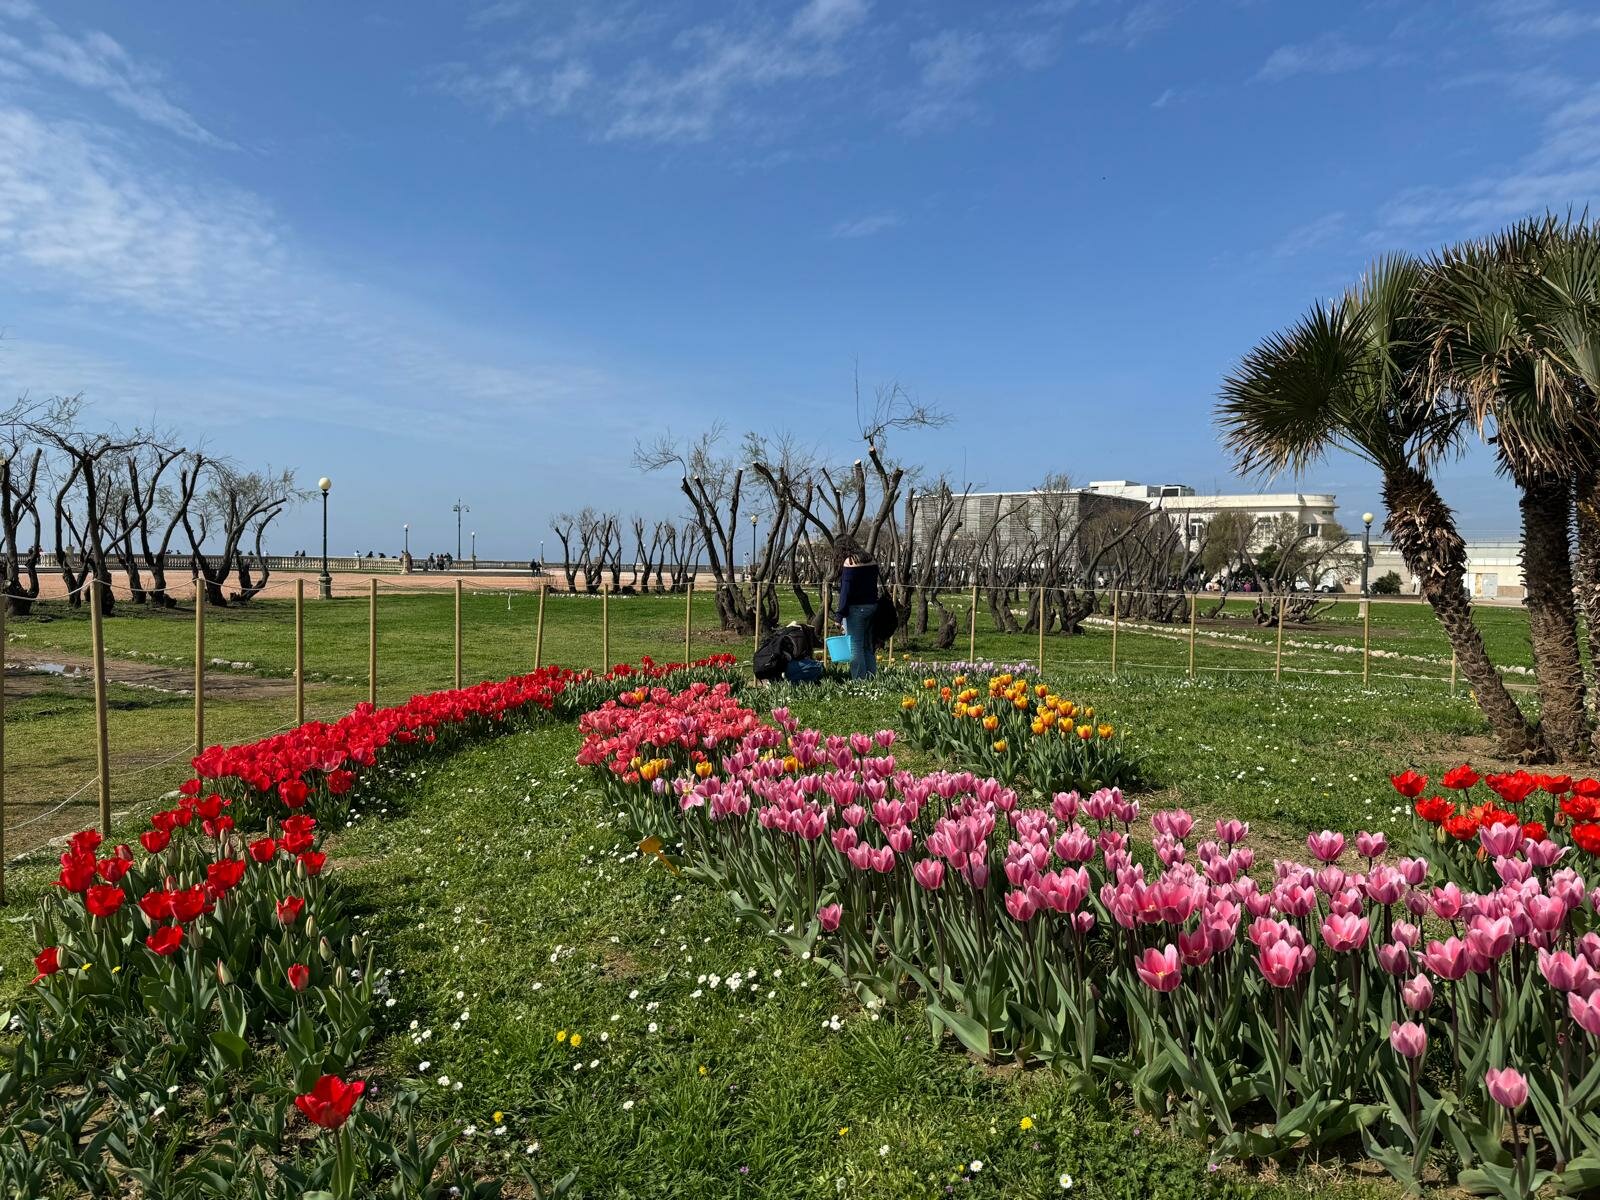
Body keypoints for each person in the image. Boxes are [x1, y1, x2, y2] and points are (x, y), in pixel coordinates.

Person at [832, 537, 879, 679]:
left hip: (856, 609)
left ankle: (859, 680)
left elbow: (846, 592)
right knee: (867, 645)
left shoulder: (850, 562)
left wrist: (839, 616)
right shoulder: (870, 559)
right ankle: (871, 677)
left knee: (855, 645)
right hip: (872, 606)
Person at [753, 620, 822, 683]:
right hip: (780, 666)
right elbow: (798, 656)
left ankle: (775, 681)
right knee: (817, 666)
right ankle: (792, 682)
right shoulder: (799, 635)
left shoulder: (782, 632)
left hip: (766, 667)